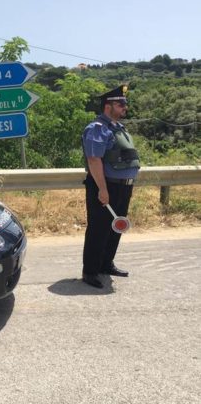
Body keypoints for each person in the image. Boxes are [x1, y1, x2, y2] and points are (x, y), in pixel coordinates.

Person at [81, 85, 140, 289]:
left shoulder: (117, 128)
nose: (125, 107)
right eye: (121, 103)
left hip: (123, 187)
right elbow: (94, 159)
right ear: (108, 106)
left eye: (125, 103)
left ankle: (106, 264)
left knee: (116, 227)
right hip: (107, 187)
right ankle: (90, 271)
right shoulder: (98, 128)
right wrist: (103, 190)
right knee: (99, 229)